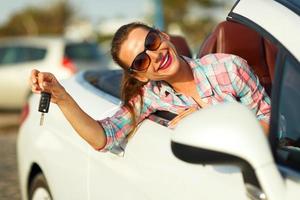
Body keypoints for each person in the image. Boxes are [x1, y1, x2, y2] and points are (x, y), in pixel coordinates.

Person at [30, 22, 271, 155]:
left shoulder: (229, 67)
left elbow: (271, 122)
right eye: (140, 60)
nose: (155, 55)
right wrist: (62, 98)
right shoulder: (148, 97)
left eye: (152, 42)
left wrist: (208, 122)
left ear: (164, 35)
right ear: (140, 75)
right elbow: (103, 138)